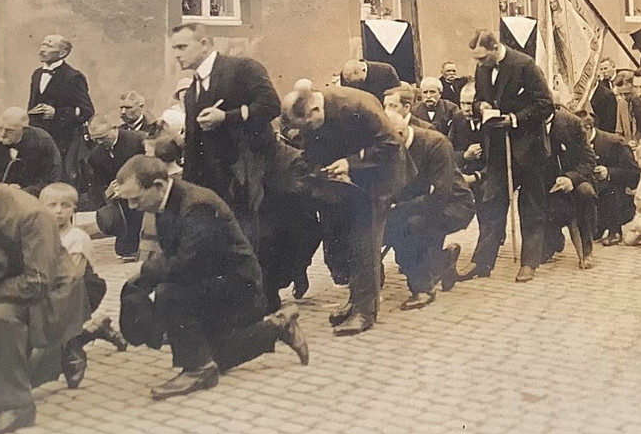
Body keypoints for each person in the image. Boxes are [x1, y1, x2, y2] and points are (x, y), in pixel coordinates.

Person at [111, 156, 306, 398]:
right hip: (211, 279)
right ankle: (279, 326)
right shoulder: (166, 202)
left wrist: (146, 271)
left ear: (159, 186)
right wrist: (138, 286)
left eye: (136, 199)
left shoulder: (196, 205)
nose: (132, 206)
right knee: (220, 356)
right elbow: (176, 258)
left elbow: (186, 263)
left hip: (239, 285)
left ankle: (196, 369)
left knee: (169, 294)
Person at [0, 157, 91, 434]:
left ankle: (18, 408)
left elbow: (37, 283)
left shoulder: (30, 214)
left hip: (53, 293)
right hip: (9, 281)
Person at [280, 79, 407, 335]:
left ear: (315, 110)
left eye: (309, 125)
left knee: (365, 244)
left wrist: (350, 163)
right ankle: (355, 302)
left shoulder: (357, 105)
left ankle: (365, 312)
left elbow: (391, 144)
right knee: (352, 243)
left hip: (380, 178)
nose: (309, 131)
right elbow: (314, 147)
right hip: (352, 181)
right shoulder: (316, 114)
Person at [461, 28, 555, 284]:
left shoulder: (524, 65)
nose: (478, 63)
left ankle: (529, 263)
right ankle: (482, 262)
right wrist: (482, 107)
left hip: (529, 149)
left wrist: (514, 119)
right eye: (476, 59)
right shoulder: (482, 69)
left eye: (482, 58)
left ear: (494, 48)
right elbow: (480, 98)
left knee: (531, 208)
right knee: (491, 202)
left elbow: (546, 103)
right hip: (498, 149)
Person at [170, 22, 282, 234]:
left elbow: (271, 105)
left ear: (204, 44)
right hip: (213, 188)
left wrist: (226, 117)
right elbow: (193, 145)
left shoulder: (241, 68)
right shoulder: (192, 91)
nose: (176, 54)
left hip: (247, 182)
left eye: (182, 47)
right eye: (174, 48)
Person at [381, 87, 474, 308]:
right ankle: (442, 262)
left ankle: (424, 289)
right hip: (421, 201)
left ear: (401, 135)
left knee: (410, 229)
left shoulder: (434, 142)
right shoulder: (390, 141)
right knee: (394, 229)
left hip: (454, 203)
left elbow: (439, 195)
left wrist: (397, 208)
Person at [38, 182, 128, 353]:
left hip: (81, 290)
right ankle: (94, 329)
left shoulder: (76, 238)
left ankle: (92, 331)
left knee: (58, 342)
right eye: (52, 205)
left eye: (65, 205)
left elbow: (73, 276)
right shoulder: (41, 235)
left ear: (74, 208)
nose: (58, 211)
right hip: (54, 288)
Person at [26, 34, 94, 172]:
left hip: (62, 142)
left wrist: (57, 113)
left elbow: (87, 111)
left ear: (62, 53)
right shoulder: (37, 74)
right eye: (42, 45)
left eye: (49, 46)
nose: (41, 50)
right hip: (38, 139)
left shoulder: (73, 77)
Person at [546, 105, 599, 269]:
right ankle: (552, 240)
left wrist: (570, 179)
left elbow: (589, 160)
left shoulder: (571, 123)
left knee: (585, 193)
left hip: (575, 177)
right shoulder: (527, 123)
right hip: (546, 180)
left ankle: (586, 251)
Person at [579, 109, 638, 245]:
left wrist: (609, 172)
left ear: (588, 128)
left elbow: (635, 173)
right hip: (591, 189)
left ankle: (614, 230)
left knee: (609, 189)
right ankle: (597, 226)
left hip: (618, 193)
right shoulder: (576, 144)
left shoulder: (614, 142)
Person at [0, 106, 64, 195]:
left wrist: (21, 192)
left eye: (9, 130)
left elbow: (49, 181)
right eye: (0, 128)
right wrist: (3, 188)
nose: (2, 134)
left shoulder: (42, 142)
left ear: (25, 129)